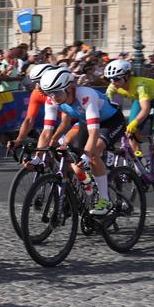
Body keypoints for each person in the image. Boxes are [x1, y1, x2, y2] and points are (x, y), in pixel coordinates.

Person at [34, 66, 124, 215]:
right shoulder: (51, 100)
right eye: (49, 93)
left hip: (110, 122)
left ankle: (105, 201)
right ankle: (86, 185)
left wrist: (87, 155)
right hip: (85, 122)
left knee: (93, 154)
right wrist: (37, 157)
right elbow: (46, 132)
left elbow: (94, 131)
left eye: (57, 92)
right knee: (67, 151)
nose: (53, 97)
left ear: (70, 88)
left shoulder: (85, 95)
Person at [104, 59, 154, 155]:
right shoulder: (113, 86)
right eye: (109, 79)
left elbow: (145, 109)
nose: (113, 82)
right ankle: (139, 161)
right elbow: (105, 102)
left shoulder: (140, 86)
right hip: (139, 100)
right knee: (131, 134)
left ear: (127, 76)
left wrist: (134, 123)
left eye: (116, 79)